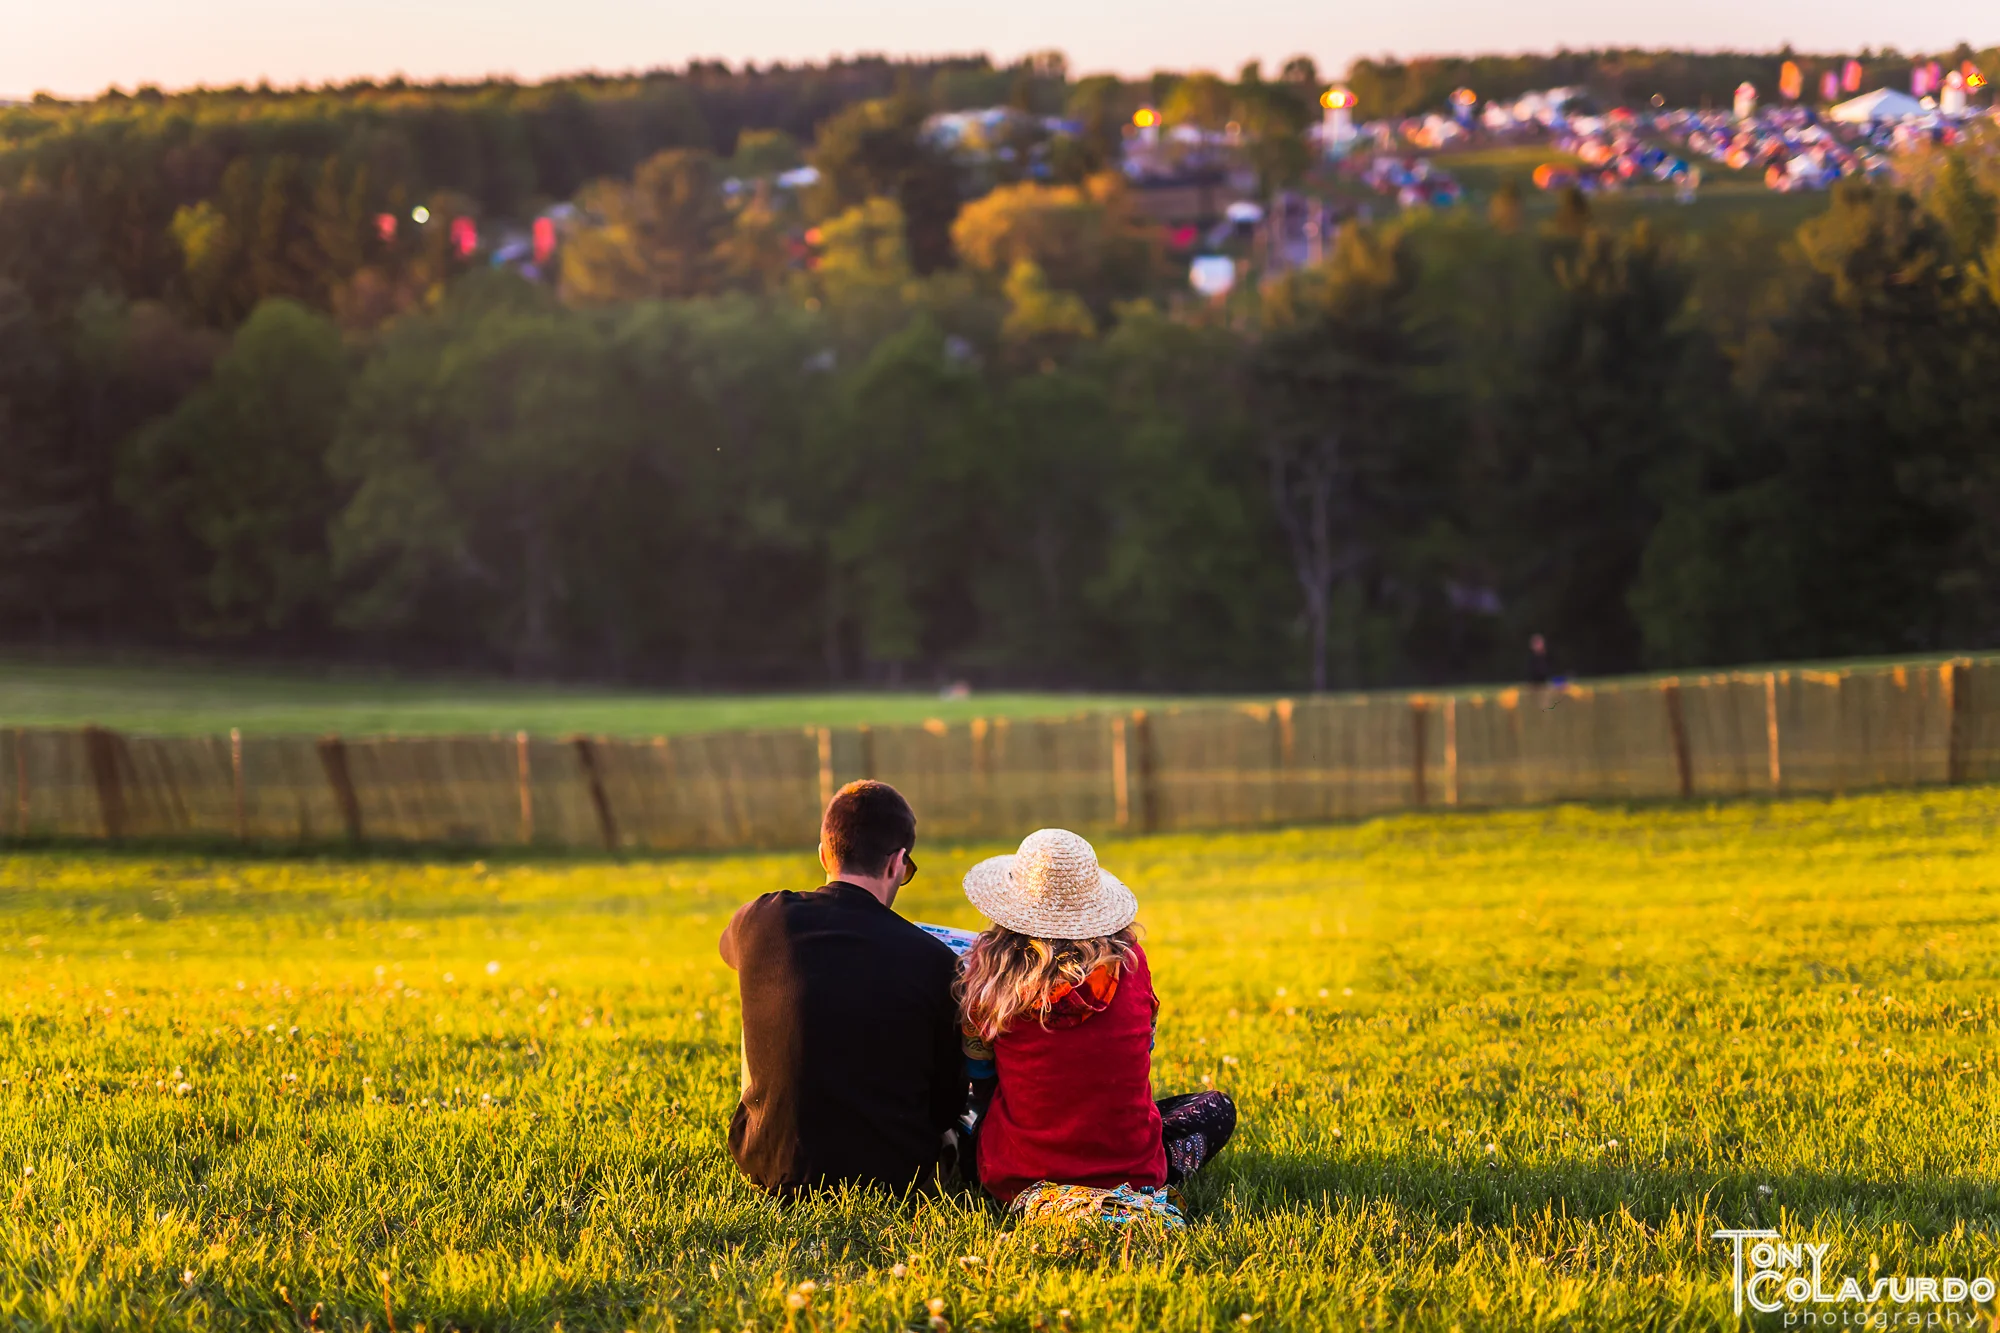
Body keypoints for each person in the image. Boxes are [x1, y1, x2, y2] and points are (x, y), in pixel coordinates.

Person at [956, 828, 1235, 1205]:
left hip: (1017, 1181)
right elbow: (1142, 1052)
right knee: (1217, 1108)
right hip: (1133, 1178)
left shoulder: (990, 974)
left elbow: (980, 1079)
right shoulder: (1131, 964)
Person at [718, 779, 963, 1194]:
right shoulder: (935, 960)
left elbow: (733, 956)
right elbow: (945, 1107)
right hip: (895, 1176)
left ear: (823, 854)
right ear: (897, 864)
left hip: (767, 1165)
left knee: (760, 979)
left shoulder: (757, 918)